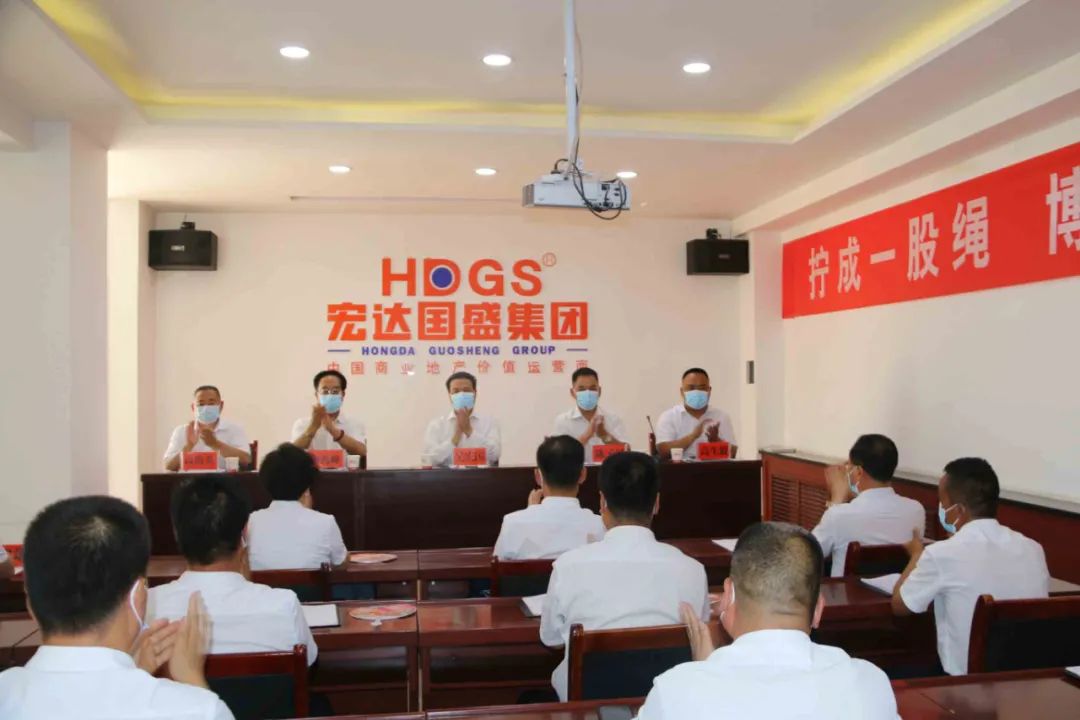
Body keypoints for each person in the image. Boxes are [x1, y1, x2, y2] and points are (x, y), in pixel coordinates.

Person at [0, 496, 233, 720]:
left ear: (30, 603)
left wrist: (135, 671)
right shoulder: (196, 710)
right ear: (137, 596)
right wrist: (192, 680)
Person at [636, 522, 899, 719]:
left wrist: (702, 674)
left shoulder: (676, 691)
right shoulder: (869, 684)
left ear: (728, 595)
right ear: (818, 610)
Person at [540, 451, 708, 701]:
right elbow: (700, 640)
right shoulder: (692, 570)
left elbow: (551, 639)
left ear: (602, 503)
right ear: (656, 503)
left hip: (588, 709)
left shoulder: (568, 567)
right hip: (666, 705)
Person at [892, 457, 1049, 675]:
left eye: (942, 503)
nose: (941, 509)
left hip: (963, 684)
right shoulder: (1033, 549)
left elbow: (900, 606)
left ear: (959, 511)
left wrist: (917, 555)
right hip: (1027, 679)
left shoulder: (942, 554)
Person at [148, 475, 318, 665]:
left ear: (176, 532)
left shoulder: (148, 608)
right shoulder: (284, 606)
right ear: (245, 532)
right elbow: (308, 660)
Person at [812, 434, 925, 576]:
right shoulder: (916, 510)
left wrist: (837, 499)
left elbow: (808, 554)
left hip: (849, 591)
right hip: (898, 589)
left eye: (849, 467)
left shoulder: (838, 515)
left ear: (859, 472)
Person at [493, 435, 605, 560]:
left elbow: (498, 564)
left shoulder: (513, 523)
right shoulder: (600, 526)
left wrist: (531, 512)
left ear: (538, 476)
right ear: (583, 475)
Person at [248, 443, 348, 570]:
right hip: (311, 584)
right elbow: (341, 563)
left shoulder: (251, 522)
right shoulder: (326, 522)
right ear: (307, 484)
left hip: (261, 584)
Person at [422, 371, 501, 467]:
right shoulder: (437, 425)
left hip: (481, 476)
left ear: (475, 393)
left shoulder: (489, 422)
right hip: (447, 476)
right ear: (449, 395)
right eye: (456, 391)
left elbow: (494, 455)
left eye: (466, 390)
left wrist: (469, 431)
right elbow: (429, 459)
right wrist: (455, 439)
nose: (461, 394)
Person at [655, 368, 736, 461]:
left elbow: (733, 453)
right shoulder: (669, 416)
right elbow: (663, 452)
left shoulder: (721, 416)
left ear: (709, 390)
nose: (697, 392)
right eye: (691, 388)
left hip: (714, 468)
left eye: (702, 388)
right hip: (681, 468)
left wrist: (716, 440)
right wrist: (693, 436)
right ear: (682, 391)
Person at [164, 385, 251, 471]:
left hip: (223, 479)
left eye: (211, 404)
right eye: (201, 404)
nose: (206, 408)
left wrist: (215, 444)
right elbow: (168, 465)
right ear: (193, 407)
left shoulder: (234, 429)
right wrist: (188, 446)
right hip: (190, 479)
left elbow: (246, 460)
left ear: (221, 405)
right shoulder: (181, 431)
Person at [552, 367, 629, 455]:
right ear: (572, 392)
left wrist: (604, 435)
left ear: (599, 391)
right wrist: (586, 436)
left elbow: (626, 452)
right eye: (581, 389)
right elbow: (558, 455)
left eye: (592, 388)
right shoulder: (563, 421)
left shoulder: (613, 419)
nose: (588, 393)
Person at [291, 370, 367, 457]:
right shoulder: (302, 423)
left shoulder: (354, 423)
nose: (330, 396)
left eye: (335, 391)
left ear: (343, 395)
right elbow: (291, 454)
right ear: (317, 395)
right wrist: (313, 427)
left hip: (345, 466)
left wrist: (333, 430)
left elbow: (362, 451)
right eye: (325, 392)